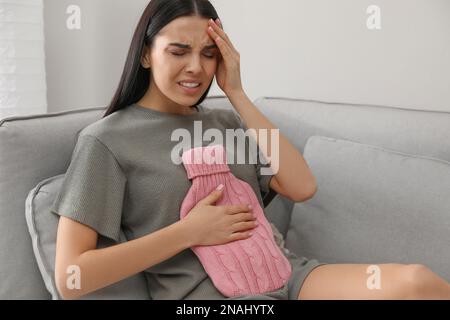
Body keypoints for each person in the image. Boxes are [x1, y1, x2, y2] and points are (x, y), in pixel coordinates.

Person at [53, 0, 450, 300]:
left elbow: (302, 185)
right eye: (178, 51)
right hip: (208, 299)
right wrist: (188, 232)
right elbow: (71, 277)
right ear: (145, 54)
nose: (195, 67)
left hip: (284, 275)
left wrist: (237, 93)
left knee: (416, 283)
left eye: (208, 54)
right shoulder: (105, 141)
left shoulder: (225, 122)